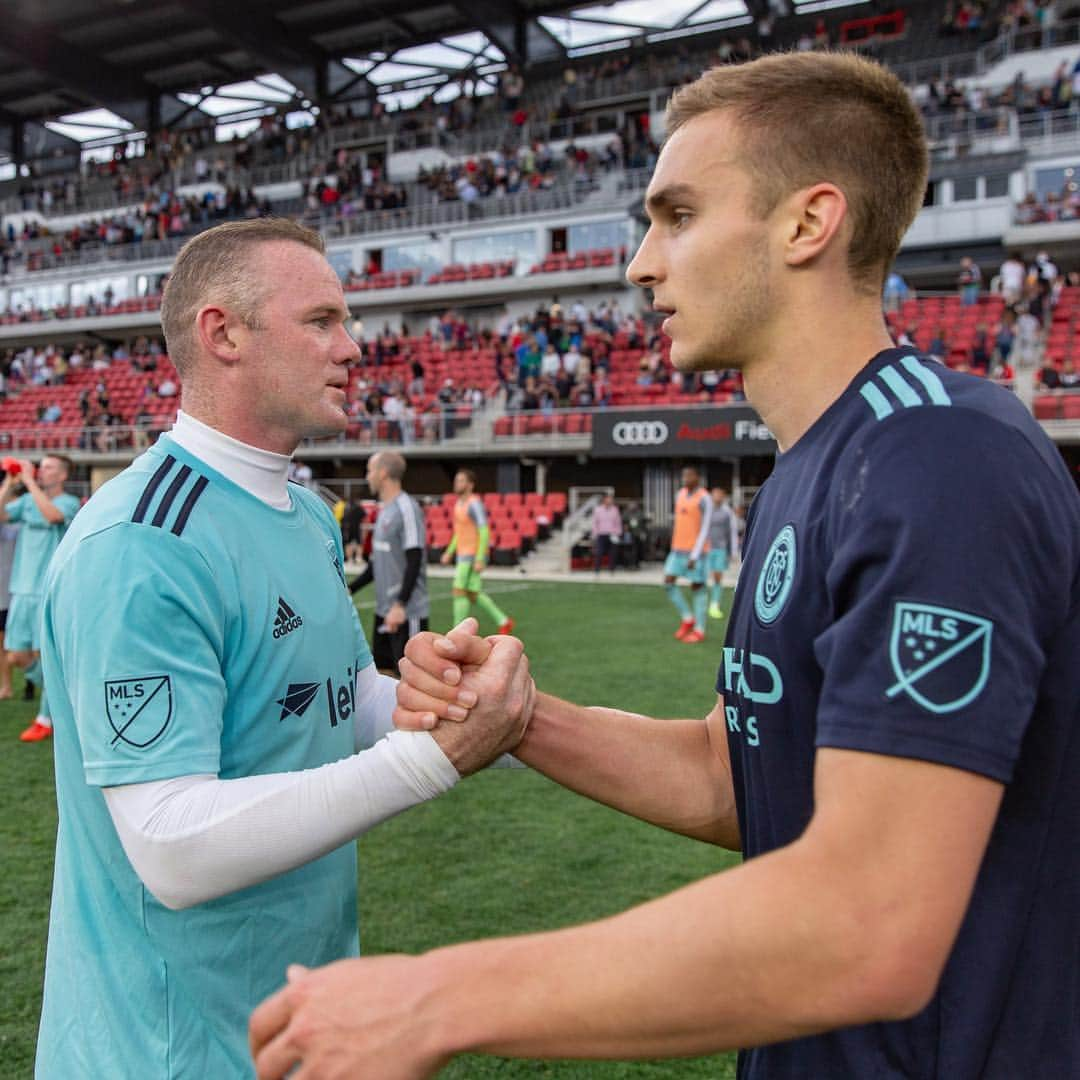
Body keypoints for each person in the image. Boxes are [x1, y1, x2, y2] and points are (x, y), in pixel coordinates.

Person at [250, 53, 1080, 1080]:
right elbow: (747, 782)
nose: (642, 263)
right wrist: (523, 722)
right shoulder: (807, 475)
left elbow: (872, 918)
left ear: (807, 224)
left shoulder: (942, 456)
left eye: (678, 216)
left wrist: (438, 995)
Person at [34, 219, 531, 1078]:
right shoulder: (142, 543)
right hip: (166, 1049)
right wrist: (430, 762)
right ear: (222, 333)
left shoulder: (303, 514)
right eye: (323, 321)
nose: (354, 347)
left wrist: (445, 696)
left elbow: (341, 699)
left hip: (299, 1021)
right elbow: (172, 848)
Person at [0, 455, 80, 741]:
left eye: (49, 468)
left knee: (47, 655)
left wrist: (30, 482)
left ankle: (45, 718)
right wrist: (10, 484)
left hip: (48, 588)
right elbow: (1, 513)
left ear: (62, 475)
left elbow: (53, 517)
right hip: (21, 588)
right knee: (17, 655)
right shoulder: (26, 499)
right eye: (41, 466)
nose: (41, 471)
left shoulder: (68, 502)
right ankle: (64, 695)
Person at [349, 452, 429, 674]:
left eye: (369, 470)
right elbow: (376, 564)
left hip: (405, 613)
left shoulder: (407, 509)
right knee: (383, 675)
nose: (368, 477)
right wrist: (350, 589)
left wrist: (400, 605)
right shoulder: (384, 511)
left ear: (383, 473)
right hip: (384, 610)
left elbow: (415, 560)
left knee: (412, 681)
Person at [440, 469, 514, 635]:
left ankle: (457, 632)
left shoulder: (474, 504)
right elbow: (458, 532)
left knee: (459, 590)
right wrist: (449, 551)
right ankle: (504, 620)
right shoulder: (458, 504)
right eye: (456, 480)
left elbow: (484, 531)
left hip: (472, 556)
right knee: (472, 593)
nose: (456, 483)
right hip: (462, 554)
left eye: (461, 481)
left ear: (470, 485)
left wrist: (480, 557)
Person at [664, 464, 711, 643]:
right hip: (677, 549)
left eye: (690, 475)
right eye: (684, 475)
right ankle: (687, 618)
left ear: (697, 478)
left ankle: (699, 630)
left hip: (695, 553)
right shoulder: (680, 494)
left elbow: (705, 527)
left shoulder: (704, 498)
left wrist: (695, 554)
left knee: (697, 587)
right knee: (668, 582)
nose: (686, 478)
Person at [705, 486, 738, 620]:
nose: (717, 497)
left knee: (717, 576)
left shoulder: (727, 513)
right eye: (715, 494)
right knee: (702, 577)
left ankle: (714, 604)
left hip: (720, 549)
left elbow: (732, 533)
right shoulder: (706, 511)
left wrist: (733, 551)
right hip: (706, 549)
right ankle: (704, 604)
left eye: (720, 494)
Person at [0, 521, 17, 699]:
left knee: (33, 649)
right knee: (2, 644)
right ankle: (6, 685)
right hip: (4, 595)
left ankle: (33, 682)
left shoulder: (18, 527)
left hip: (18, 593)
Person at [590, 491, 622, 573]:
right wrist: (594, 533)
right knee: (599, 552)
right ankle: (597, 569)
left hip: (612, 534)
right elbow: (595, 522)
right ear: (604, 500)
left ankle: (612, 569)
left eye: (611, 499)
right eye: (608, 499)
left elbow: (618, 522)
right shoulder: (598, 509)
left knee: (613, 553)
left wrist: (618, 533)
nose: (610, 501)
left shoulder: (615, 509)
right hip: (601, 534)